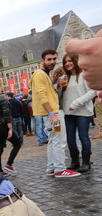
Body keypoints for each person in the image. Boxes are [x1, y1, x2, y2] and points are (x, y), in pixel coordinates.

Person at [29, 49, 81, 178]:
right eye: (49, 59)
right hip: (53, 114)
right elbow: (42, 95)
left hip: (50, 114)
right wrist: (52, 113)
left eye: (54, 59)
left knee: (53, 140)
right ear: (43, 60)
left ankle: (52, 167)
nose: (52, 62)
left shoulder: (42, 74)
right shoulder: (40, 74)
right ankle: (60, 169)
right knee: (58, 140)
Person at [60, 53, 95, 173]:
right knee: (70, 139)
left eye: (70, 61)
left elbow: (92, 92)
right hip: (68, 113)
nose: (67, 64)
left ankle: (86, 162)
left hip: (82, 112)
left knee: (83, 137)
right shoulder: (65, 77)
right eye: (65, 62)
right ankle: (74, 161)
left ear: (75, 61)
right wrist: (58, 87)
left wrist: (76, 103)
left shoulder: (84, 75)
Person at [0, 79, 21, 176]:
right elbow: (7, 115)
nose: (3, 85)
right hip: (3, 127)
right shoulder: (2, 99)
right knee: (17, 143)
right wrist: (10, 128)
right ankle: (9, 164)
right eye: (2, 84)